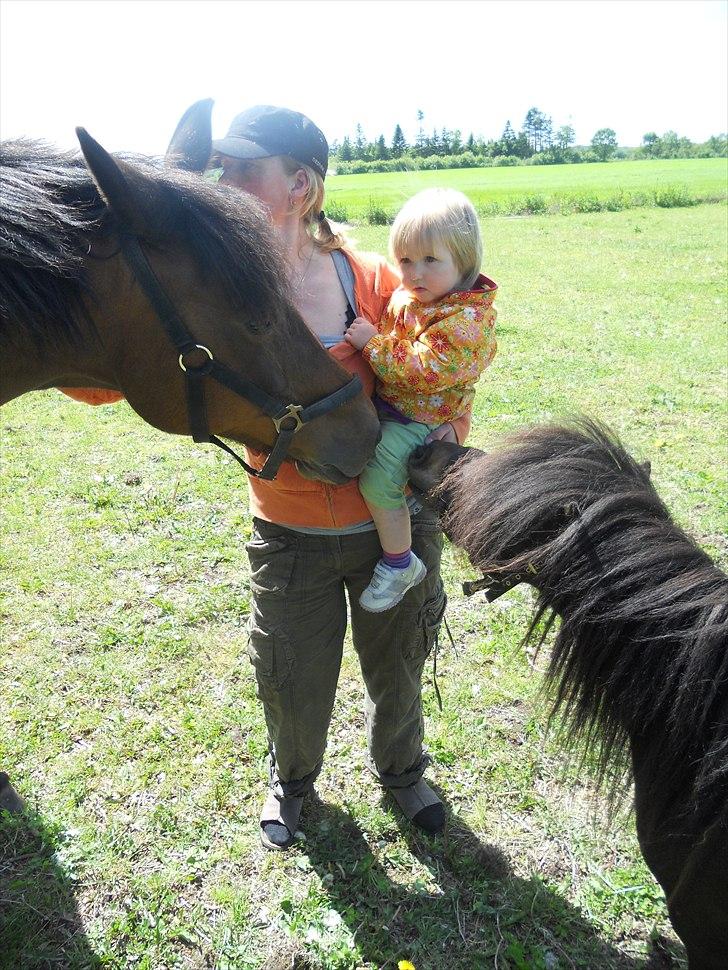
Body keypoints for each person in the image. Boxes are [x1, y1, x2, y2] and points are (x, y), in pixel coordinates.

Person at [207, 104, 497, 850]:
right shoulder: (221, 296)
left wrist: (446, 432)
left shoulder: (375, 281)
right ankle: (292, 782)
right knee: (291, 675)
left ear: (300, 185)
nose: (224, 180)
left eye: (245, 169)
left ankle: (403, 775)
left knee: (399, 666)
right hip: (289, 530)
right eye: (222, 166)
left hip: (390, 528)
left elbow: (440, 384)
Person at [344, 189, 497, 613]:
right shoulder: (418, 298)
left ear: (464, 260)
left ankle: (399, 563)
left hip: (418, 417)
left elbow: (422, 370)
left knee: (377, 480)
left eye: (431, 260)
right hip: (399, 407)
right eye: (406, 260)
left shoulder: (466, 321)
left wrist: (372, 346)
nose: (415, 273)